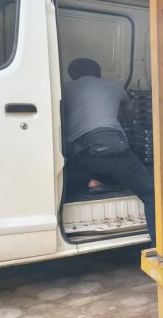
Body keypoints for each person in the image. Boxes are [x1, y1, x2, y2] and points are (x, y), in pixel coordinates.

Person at [63, 58, 156, 245]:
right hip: (115, 152)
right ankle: (159, 246)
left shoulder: (64, 88)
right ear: (98, 73)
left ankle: (95, 181)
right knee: (150, 195)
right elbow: (130, 116)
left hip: (80, 156)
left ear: (72, 74)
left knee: (78, 158)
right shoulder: (114, 87)